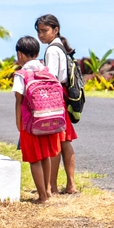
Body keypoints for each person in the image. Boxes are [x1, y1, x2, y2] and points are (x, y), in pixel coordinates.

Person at [13, 36, 62, 203]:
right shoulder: (47, 71)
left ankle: (42, 197)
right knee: (46, 156)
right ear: (38, 52)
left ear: (20, 54)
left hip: (30, 124)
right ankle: (47, 190)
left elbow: (19, 100)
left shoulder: (21, 75)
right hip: (50, 120)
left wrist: (18, 122)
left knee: (34, 160)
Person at [35, 14, 79, 195]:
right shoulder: (61, 47)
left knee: (56, 141)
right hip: (64, 94)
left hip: (55, 96)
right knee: (65, 140)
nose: (41, 35)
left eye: (44, 31)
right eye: (38, 31)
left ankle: (51, 186)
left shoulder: (52, 50)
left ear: (56, 30)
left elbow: (50, 77)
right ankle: (70, 184)